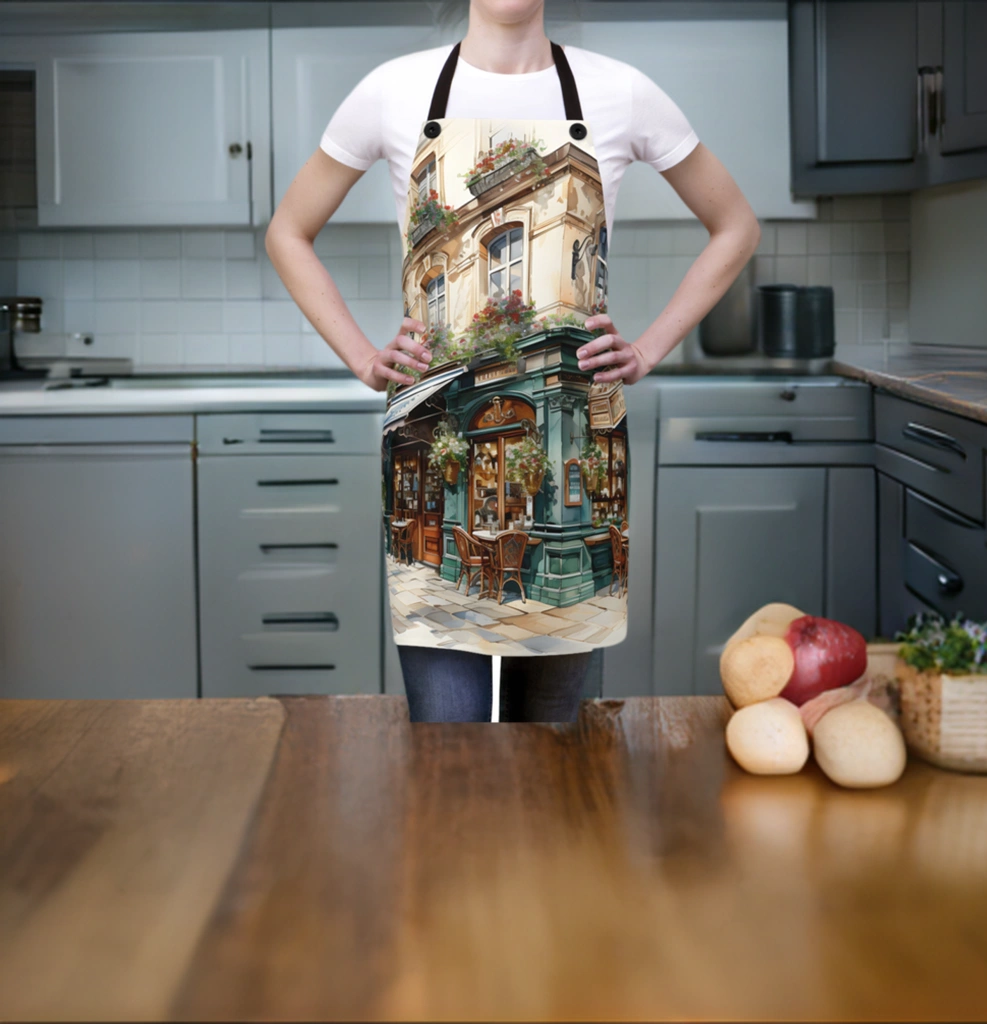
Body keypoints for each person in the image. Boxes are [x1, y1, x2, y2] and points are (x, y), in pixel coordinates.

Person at [265, 0, 760, 723]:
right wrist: (364, 357)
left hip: (589, 428)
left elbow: (736, 225)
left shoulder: (621, 92)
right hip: (441, 408)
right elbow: (288, 231)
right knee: (448, 751)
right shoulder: (392, 91)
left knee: (559, 762)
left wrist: (650, 348)